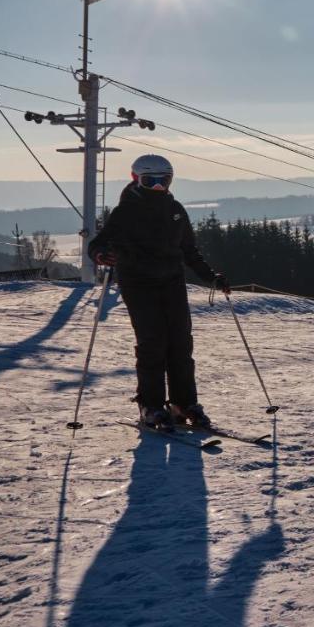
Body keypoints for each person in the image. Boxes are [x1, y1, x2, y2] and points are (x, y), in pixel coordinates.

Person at [87, 154, 229, 431]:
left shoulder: (175, 209)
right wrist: (101, 254)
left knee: (180, 343)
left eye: (162, 181)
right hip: (138, 283)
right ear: (135, 179)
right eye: (149, 181)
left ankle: (183, 403)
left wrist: (211, 277)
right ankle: (150, 406)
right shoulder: (125, 211)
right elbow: (98, 243)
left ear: (170, 180)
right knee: (152, 343)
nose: (156, 187)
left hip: (172, 281)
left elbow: (188, 251)